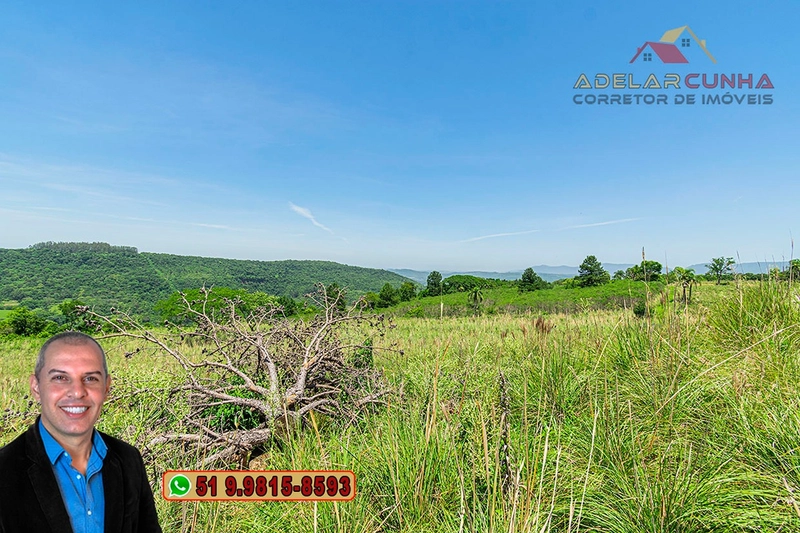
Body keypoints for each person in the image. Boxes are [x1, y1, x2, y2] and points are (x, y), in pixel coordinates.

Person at [0, 331, 162, 533]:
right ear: (36, 387)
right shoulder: (4, 470)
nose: (77, 392)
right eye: (60, 377)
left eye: (91, 378)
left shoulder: (129, 460)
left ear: (106, 388)